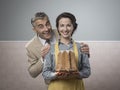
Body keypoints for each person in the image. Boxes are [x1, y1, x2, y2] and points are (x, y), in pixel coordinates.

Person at [25, 12, 90, 78]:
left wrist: (84, 51)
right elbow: (32, 73)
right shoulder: (30, 47)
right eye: (41, 26)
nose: (46, 29)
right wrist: (43, 58)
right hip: (53, 83)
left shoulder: (61, 31)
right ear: (34, 30)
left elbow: (73, 48)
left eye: (48, 24)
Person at [42, 12, 91, 90]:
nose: (65, 29)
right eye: (62, 25)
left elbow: (87, 71)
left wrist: (78, 74)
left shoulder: (81, 47)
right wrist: (56, 74)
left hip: (76, 87)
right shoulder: (50, 48)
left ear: (73, 27)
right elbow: (45, 73)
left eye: (68, 25)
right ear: (57, 28)